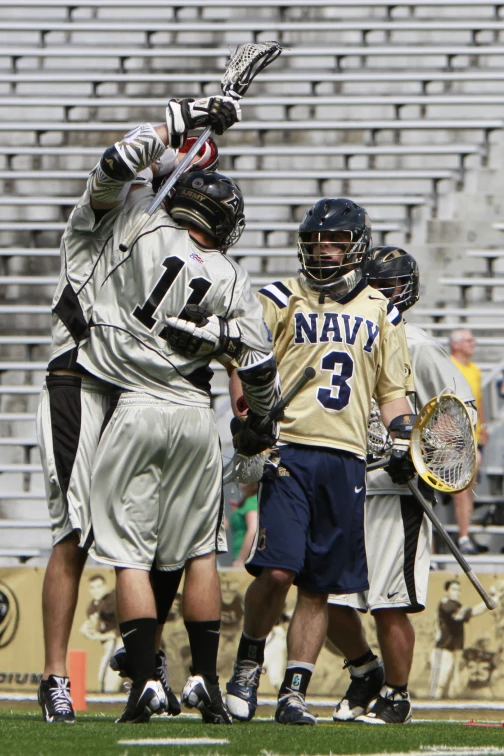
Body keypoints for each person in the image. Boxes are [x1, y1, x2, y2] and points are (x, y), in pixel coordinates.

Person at [75, 97, 282, 725]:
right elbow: (259, 367)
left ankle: (143, 683)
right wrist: (258, 425)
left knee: (130, 555)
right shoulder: (232, 275)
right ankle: (206, 686)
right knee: (198, 554)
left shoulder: (136, 223)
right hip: (194, 411)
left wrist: (179, 117)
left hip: (134, 404)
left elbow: (117, 162)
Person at [35, 99, 226, 724]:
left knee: (156, 534)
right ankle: (55, 676)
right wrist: (185, 114)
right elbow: (119, 160)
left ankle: (136, 651)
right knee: (75, 530)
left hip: (135, 390)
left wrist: (197, 145)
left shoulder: (153, 236)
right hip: (79, 381)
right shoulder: (95, 219)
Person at [224, 199, 415, 726]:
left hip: (347, 457)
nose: (323, 252)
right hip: (288, 449)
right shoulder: (281, 298)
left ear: (356, 247)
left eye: (334, 243)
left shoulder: (382, 310)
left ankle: (294, 690)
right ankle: (247, 663)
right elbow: (244, 354)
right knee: (278, 568)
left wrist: (402, 434)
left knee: (318, 583)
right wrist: (247, 410)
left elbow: (393, 391)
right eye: (315, 243)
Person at [326, 247, 476, 725]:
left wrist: (417, 455)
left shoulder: (421, 345)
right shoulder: (350, 334)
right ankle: (365, 671)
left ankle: (397, 694)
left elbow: (459, 416)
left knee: (389, 605)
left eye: (386, 286)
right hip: (344, 482)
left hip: (396, 494)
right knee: (324, 600)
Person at [449, 328, 489, 555]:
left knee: (468, 488)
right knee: (460, 491)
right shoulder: (449, 365)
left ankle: (465, 534)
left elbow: (479, 400)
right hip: (454, 438)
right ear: (456, 345)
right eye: (468, 340)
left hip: (471, 438)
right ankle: (462, 537)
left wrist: (483, 426)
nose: (473, 343)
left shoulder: (474, 369)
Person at [429, 579, 487, 698]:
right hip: (441, 651)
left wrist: (492, 599)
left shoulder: (455, 606)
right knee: (437, 687)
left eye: (459, 590)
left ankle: (438, 715)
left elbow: (473, 612)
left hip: (450, 652)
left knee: (447, 690)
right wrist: (490, 599)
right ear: (446, 591)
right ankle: (427, 714)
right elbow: (473, 612)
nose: (457, 592)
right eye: (454, 589)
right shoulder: (446, 604)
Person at [228, 483, 259, 567]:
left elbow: (253, 530)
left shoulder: (251, 501)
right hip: (244, 559)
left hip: (246, 560)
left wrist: (240, 560)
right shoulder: (247, 500)